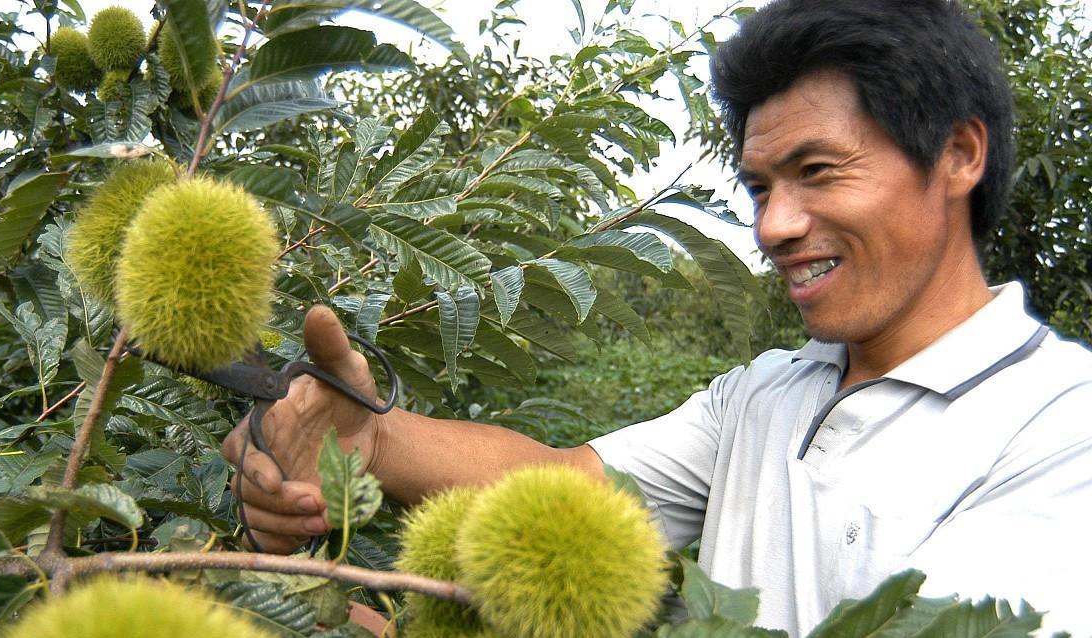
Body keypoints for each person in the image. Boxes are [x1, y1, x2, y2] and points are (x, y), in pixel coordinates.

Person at [223, 0, 1092, 634]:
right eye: (758, 188)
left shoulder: (1062, 425)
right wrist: (367, 445)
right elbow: (568, 484)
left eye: (819, 171)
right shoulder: (764, 394)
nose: (774, 226)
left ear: (959, 154)